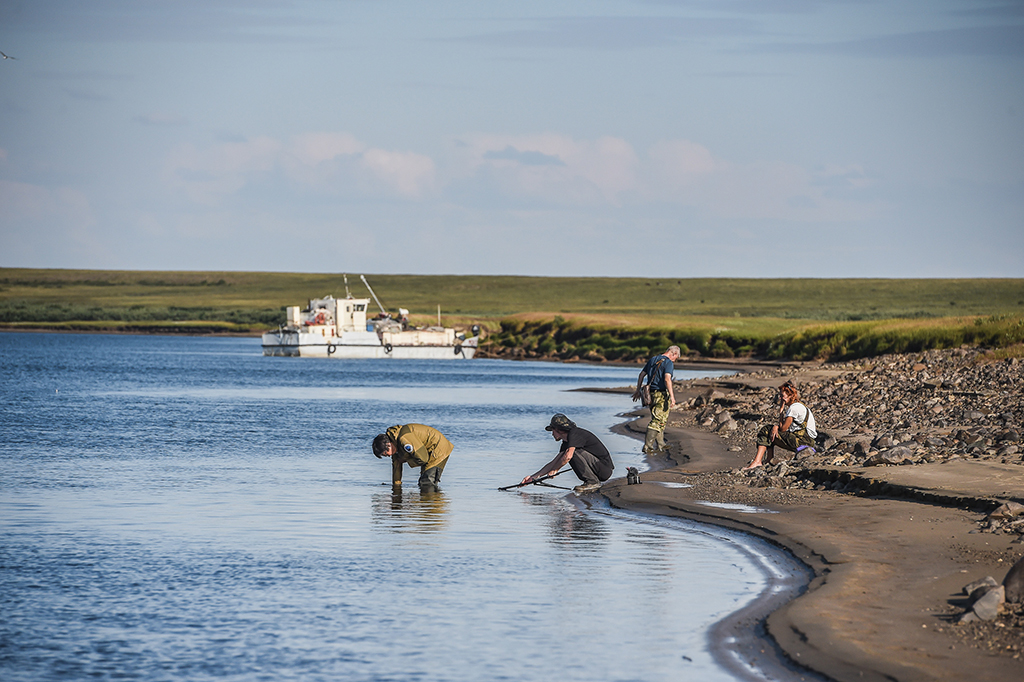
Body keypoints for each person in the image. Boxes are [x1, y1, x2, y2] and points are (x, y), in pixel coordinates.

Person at [521, 413, 614, 494]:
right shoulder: (567, 442)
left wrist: (555, 470)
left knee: (572, 453)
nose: (552, 434)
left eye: (552, 430)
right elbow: (553, 462)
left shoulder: (575, 434)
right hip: (598, 469)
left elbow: (568, 457)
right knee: (568, 453)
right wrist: (533, 477)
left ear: (559, 430)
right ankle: (591, 482)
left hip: (604, 469)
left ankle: (592, 482)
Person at [744, 381, 817, 469]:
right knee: (771, 431)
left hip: (802, 440)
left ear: (790, 396)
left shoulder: (793, 408)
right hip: (807, 440)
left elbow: (783, 429)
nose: (780, 398)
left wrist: (780, 414)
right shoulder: (800, 405)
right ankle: (768, 460)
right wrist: (777, 426)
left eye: (782, 396)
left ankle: (757, 461)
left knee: (766, 430)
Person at [372, 423, 453, 491]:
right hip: (426, 451)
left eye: (386, 453)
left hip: (438, 447)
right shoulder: (395, 447)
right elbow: (396, 469)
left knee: (427, 482)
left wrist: (406, 459)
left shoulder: (404, 440)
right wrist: (396, 488)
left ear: (388, 444)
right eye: (385, 455)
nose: (389, 455)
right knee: (424, 482)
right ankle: (428, 505)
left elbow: (423, 459)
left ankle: (433, 506)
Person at [632, 346, 681, 453]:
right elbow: (667, 379)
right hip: (661, 394)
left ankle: (661, 444)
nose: (675, 360)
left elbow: (641, 375)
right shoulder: (668, 363)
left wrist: (638, 390)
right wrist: (672, 397)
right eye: (676, 358)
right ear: (674, 353)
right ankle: (647, 446)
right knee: (657, 420)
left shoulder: (653, 359)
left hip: (650, 394)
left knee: (660, 419)